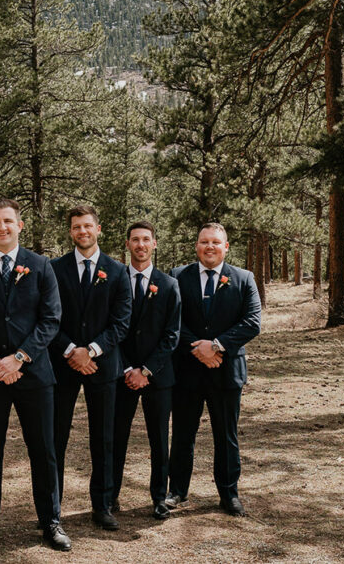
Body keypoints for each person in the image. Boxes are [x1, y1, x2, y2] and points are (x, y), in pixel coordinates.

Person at [0, 198, 70, 553]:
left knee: (44, 451)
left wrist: (19, 358)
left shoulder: (40, 266)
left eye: (8, 221)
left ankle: (51, 522)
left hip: (34, 375)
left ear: (20, 226)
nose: (2, 227)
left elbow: (50, 319)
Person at [167, 222, 261, 517]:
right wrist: (198, 348)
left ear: (226, 247)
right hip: (187, 370)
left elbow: (252, 321)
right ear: (196, 245)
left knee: (226, 434)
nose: (210, 247)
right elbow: (170, 320)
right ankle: (177, 490)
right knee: (183, 433)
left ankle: (229, 493)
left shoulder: (244, 278)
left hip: (226, 370)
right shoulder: (177, 276)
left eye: (215, 243)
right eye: (204, 242)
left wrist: (217, 346)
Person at [49, 205, 130, 531]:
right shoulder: (54, 269)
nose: (82, 231)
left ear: (99, 229)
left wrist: (92, 351)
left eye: (87, 226)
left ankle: (103, 504)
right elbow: (49, 316)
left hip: (103, 364)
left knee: (104, 437)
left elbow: (120, 323)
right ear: (71, 232)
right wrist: (71, 350)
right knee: (55, 437)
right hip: (62, 363)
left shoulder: (117, 270)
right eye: (76, 227)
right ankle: (52, 506)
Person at [111, 222, 180, 520]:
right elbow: (111, 329)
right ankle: (109, 497)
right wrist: (129, 368)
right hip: (121, 374)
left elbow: (172, 335)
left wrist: (147, 370)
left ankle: (158, 498)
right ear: (127, 244)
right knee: (115, 437)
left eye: (146, 240)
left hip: (158, 375)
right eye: (135, 240)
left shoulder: (168, 284)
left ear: (154, 244)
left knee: (159, 440)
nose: (140, 245)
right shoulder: (115, 280)